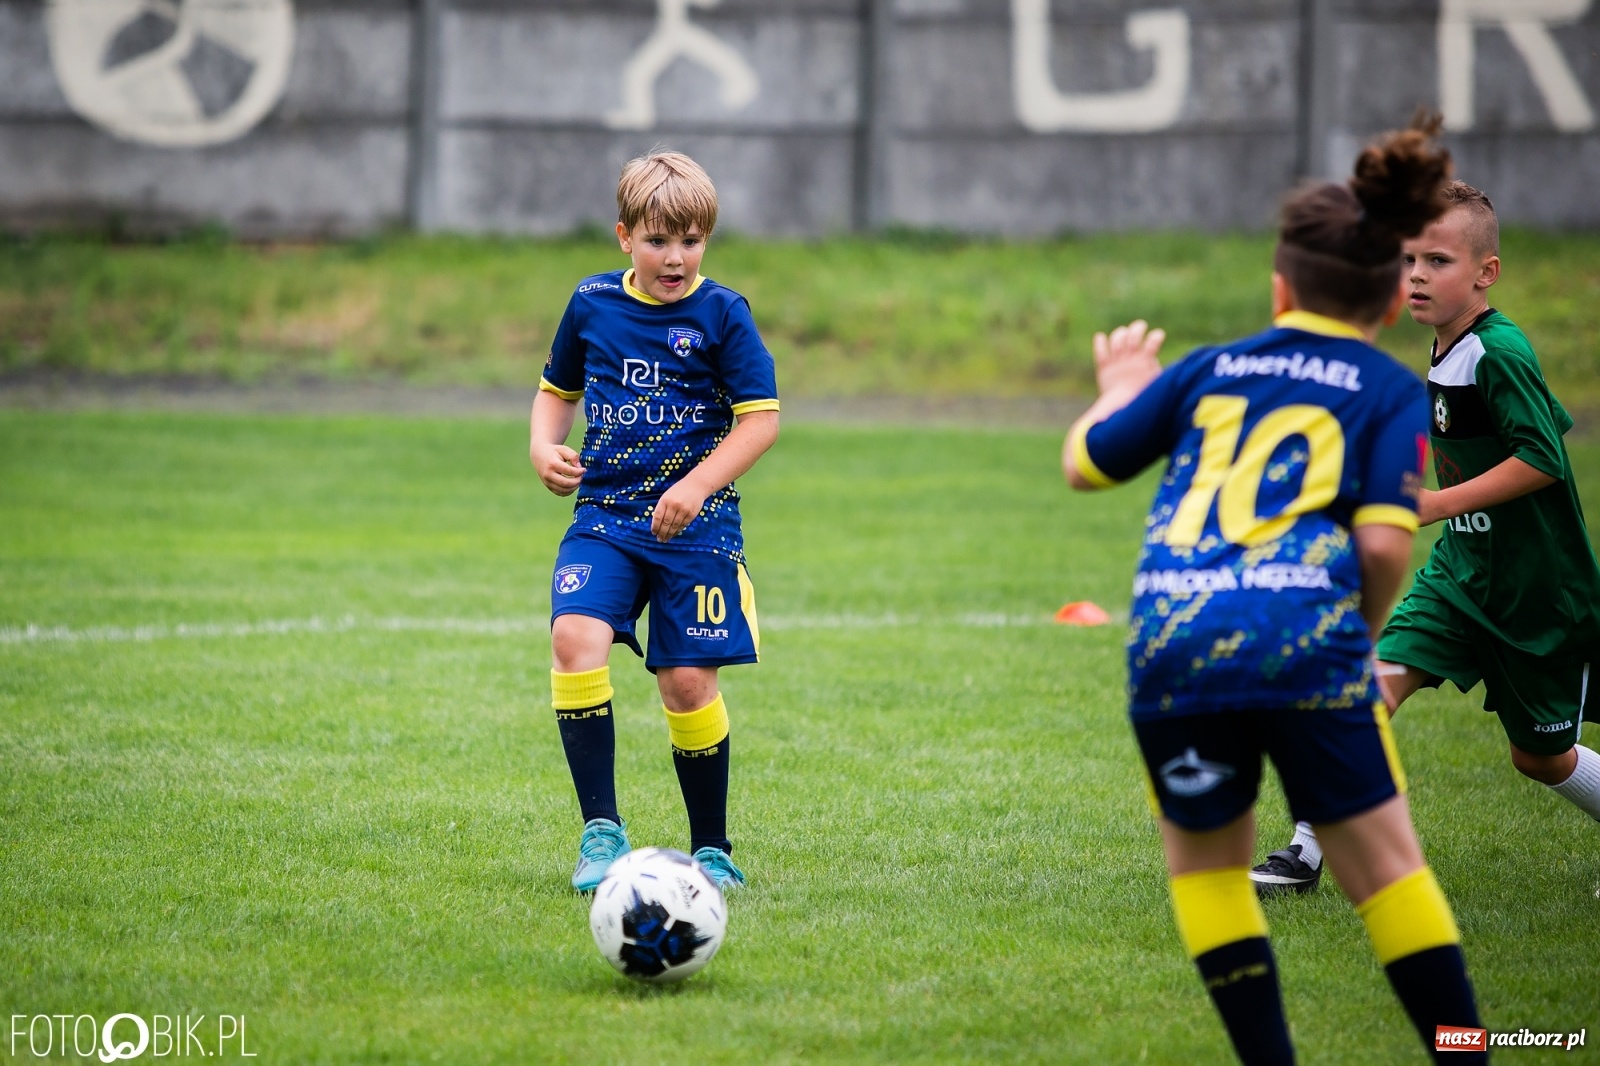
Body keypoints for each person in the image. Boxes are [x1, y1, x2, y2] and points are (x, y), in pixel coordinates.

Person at [1063, 117, 1486, 1064]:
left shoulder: (1209, 367)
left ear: (1279, 287)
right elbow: (1383, 545)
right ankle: (1466, 1054)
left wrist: (1118, 387)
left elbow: (1085, 465)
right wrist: (1356, 640)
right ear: (1386, 300)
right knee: (1387, 873)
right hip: (1306, 644)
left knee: (1209, 870)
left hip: (1173, 644)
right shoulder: (1386, 387)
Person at [1251, 181, 1600, 896]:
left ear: (1485, 273)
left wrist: (1437, 502)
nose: (1415, 275)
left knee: (1541, 759)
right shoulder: (1448, 349)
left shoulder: (1497, 350)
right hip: (1460, 576)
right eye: (1409, 258)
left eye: (1437, 260)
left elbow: (1543, 458)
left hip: (1535, 590)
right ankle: (1305, 853)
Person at [529, 150, 779, 892]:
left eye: (692, 240)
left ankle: (712, 850)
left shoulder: (723, 314)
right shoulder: (593, 303)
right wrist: (543, 446)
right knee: (574, 637)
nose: (676, 257)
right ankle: (601, 834)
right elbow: (556, 390)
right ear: (623, 236)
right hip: (606, 514)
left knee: (686, 684)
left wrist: (697, 487)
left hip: (696, 530)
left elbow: (759, 423)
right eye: (659, 240)